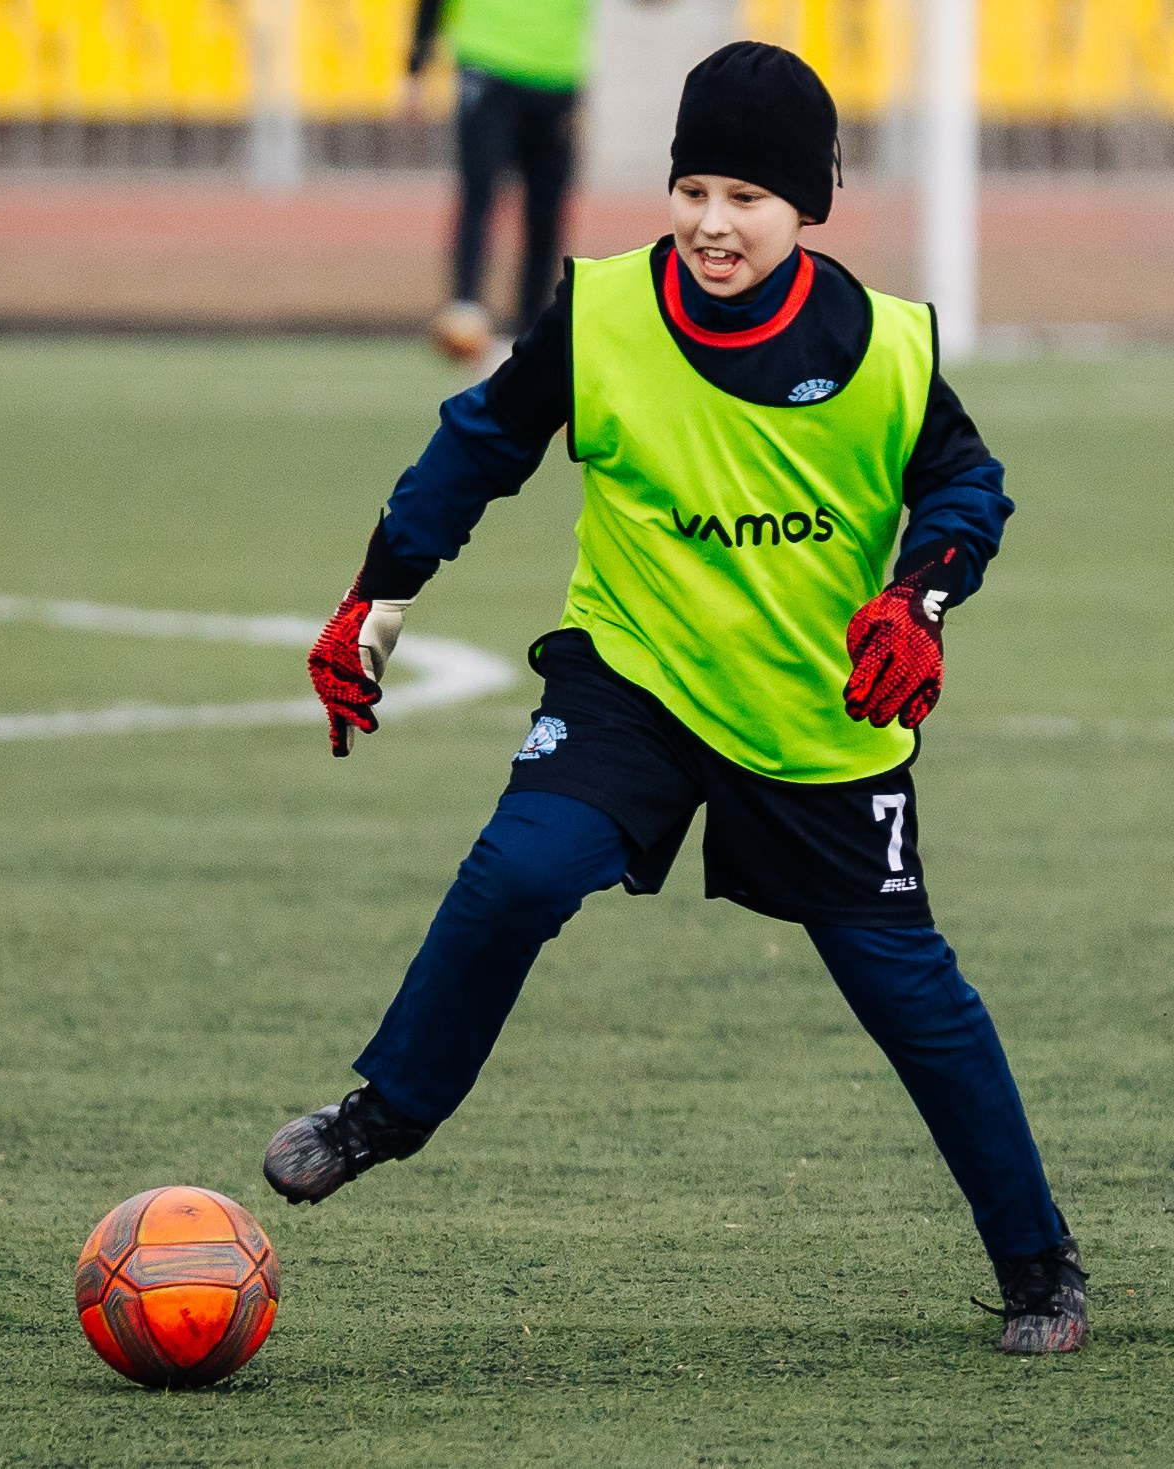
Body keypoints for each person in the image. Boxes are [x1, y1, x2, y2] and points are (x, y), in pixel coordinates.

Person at [268, 42, 1086, 1356]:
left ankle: (1039, 1265)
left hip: (813, 718)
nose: (712, 222)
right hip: (632, 684)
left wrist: (916, 598)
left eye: (745, 198)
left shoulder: (881, 347)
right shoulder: (597, 315)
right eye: (692, 188)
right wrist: (382, 591)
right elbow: (480, 444)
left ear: (805, 206)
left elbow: (965, 492)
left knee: (911, 996)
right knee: (518, 872)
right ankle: (383, 1114)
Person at [405, 0, 593, 362]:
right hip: (487, 58)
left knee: (546, 212)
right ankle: (466, 310)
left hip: (559, 71)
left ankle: (531, 334)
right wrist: (416, 64)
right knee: (479, 190)